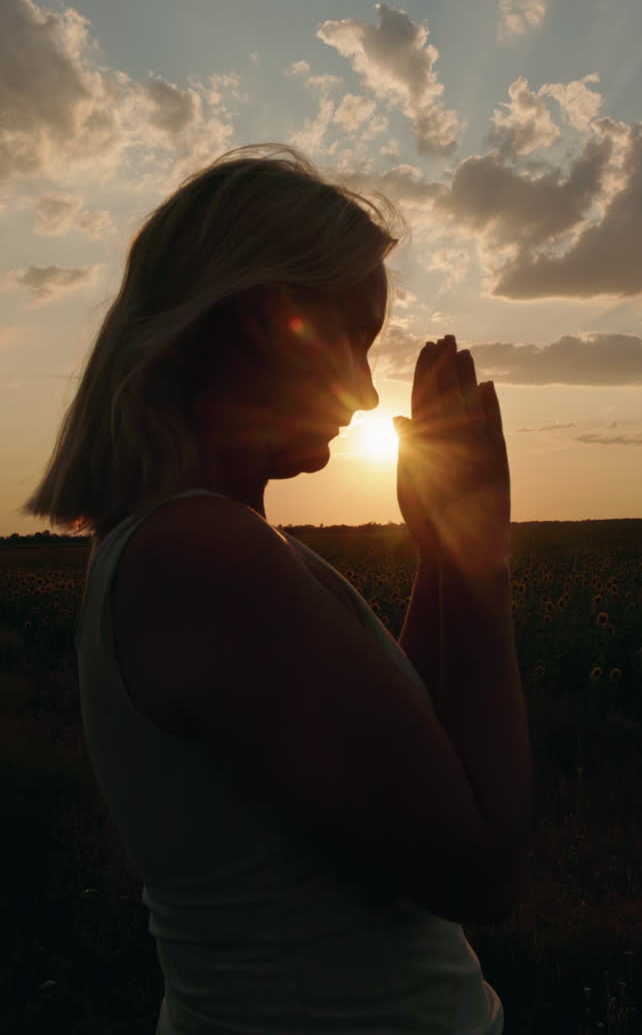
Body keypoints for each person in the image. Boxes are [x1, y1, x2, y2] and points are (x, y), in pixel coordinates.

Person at [21, 144, 508, 1033]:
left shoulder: (214, 541)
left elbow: (398, 755)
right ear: (267, 316)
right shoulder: (205, 557)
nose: (365, 393)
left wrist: (440, 553)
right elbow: (481, 871)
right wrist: (481, 566)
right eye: (354, 339)